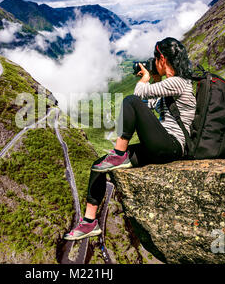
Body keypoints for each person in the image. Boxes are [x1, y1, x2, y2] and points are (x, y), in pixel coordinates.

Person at [64, 37, 197, 241]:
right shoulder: (171, 85)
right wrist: (154, 79)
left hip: (172, 146)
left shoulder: (179, 82)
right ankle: (89, 222)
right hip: (161, 146)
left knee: (130, 100)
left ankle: (119, 153)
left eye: (155, 57)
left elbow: (138, 96)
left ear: (162, 58)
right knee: (99, 165)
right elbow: (148, 105)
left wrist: (144, 80)